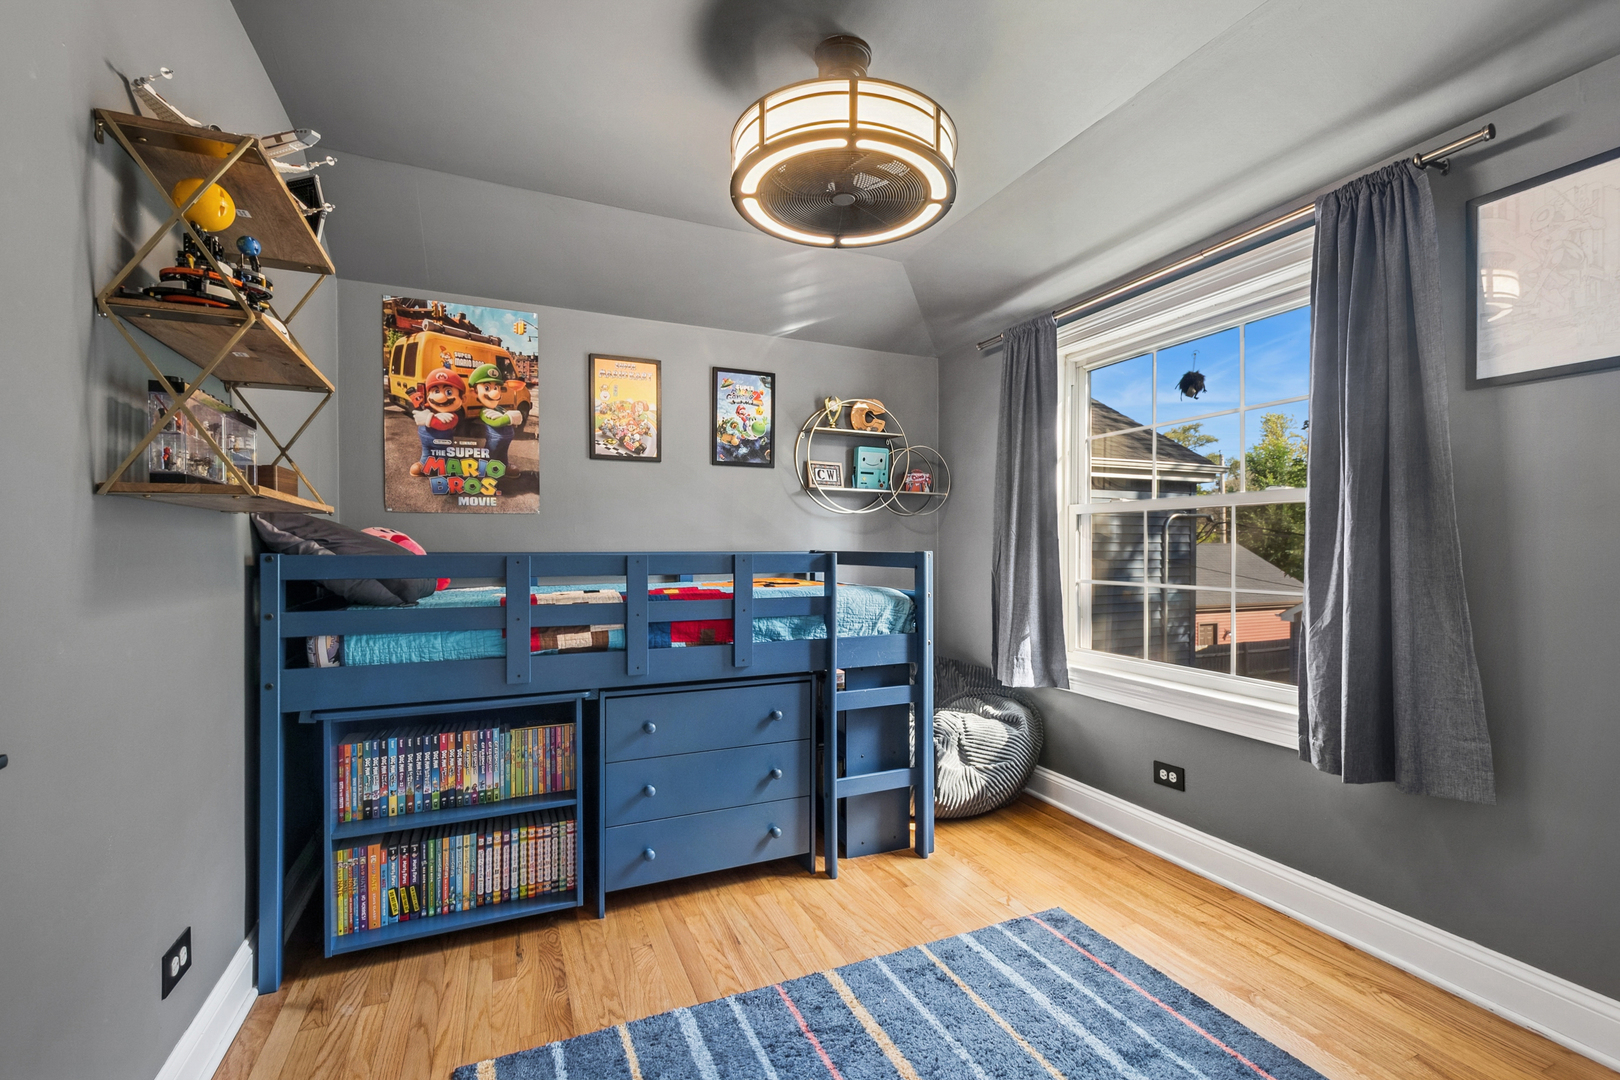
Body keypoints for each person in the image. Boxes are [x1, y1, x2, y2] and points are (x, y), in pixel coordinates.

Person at [410, 368, 466, 476]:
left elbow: (443, 425)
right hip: (426, 442)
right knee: (426, 452)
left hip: (442, 444)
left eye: (448, 392)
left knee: (443, 455)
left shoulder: (452, 417)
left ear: (463, 398)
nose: (440, 397)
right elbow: (420, 408)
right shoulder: (429, 408)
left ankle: (446, 465)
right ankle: (423, 463)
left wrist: (428, 419)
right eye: (436, 391)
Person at [467, 364, 522, 475]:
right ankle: (484, 469)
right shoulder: (485, 411)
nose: (495, 392)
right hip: (495, 441)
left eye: (496, 388)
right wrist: (511, 417)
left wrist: (512, 418)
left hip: (506, 440)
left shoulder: (499, 408)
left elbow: (507, 417)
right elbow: (497, 421)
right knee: (491, 454)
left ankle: (504, 465)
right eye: (487, 388)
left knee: (503, 453)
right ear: (474, 392)